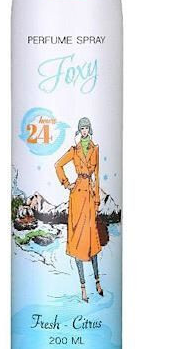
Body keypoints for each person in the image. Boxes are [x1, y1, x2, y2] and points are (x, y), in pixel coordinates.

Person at [55, 117, 104, 302]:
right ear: (79, 130)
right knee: (76, 241)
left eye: (86, 128)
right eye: (81, 128)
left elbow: (97, 176)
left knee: (92, 241)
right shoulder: (74, 150)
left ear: (89, 130)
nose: (84, 131)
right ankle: (83, 288)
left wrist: (97, 200)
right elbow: (58, 165)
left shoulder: (95, 149)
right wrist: (66, 183)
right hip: (76, 196)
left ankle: (97, 282)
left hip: (89, 197)